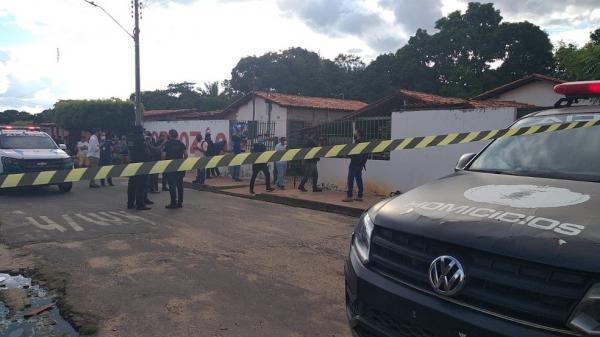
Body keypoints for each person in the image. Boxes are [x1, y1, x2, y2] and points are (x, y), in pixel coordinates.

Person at [127, 126, 152, 210]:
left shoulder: (129, 139)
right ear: (140, 131)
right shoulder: (140, 139)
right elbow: (146, 151)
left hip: (133, 163)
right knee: (141, 185)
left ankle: (130, 203)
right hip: (141, 164)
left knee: (132, 184)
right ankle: (140, 204)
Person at [163, 129, 188, 209]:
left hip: (170, 167)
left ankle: (173, 203)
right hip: (180, 167)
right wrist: (182, 162)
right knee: (180, 184)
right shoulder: (181, 143)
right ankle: (180, 202)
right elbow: (186, 155)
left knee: (172, 185)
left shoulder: (167, 143)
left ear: (170, 135)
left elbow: (163, 155)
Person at [343, 129, 368, 202]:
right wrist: (363, 162)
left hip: (354, 163)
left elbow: (354, 153)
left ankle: (349, 196)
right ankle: (360, 196)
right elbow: (366, 154)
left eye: (355, 132)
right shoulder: (365, 142)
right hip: (361, 164)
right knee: (359, 178)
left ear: (358, 134)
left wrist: (347, 155)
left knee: (350, 179)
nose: (354, 134)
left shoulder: (357, 142)